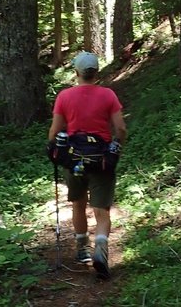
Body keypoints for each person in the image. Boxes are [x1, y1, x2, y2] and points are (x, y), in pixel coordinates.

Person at [48, 51, 127, 279]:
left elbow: (55, 130)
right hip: (101, 159)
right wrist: (116, 147)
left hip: (74, 159)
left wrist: (53, 147)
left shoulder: (64, 96)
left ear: (76, 72)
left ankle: (82, 248)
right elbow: (120, 129)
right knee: (101, 210)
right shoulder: (108, 95)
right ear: (96, 72)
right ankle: (100, 249)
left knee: (78, 204)